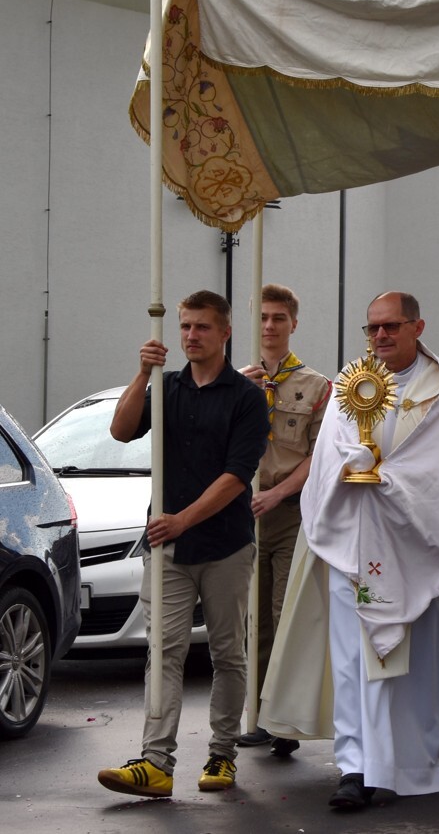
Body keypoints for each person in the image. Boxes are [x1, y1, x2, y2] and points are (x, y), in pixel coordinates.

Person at [301, 291, 439, 809]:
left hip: (421, 544)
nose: (380, 336)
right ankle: (356, 767)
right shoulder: (351, 382)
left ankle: (422, 761)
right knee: (354, 660)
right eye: (372, 328)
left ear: (418, 327)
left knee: (423, 662)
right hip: (358, 538)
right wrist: (354, 464)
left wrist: (392, 479)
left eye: (391, 326)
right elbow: (327, 457)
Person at [97, 290, 270, 797]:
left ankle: (222, 754)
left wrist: (182, 521)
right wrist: (141, 374)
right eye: (186, 327)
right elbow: (121, 430)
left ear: (225, 333)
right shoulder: (166, 385)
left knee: (227, 653)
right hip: (168, 547)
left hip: (225, 545)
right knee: (163, 651)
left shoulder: (246, 397)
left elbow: (237, 476)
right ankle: (156, 762)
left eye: (202, 327)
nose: (191, 336)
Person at [236, 284, 331, 755]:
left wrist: (277, 492)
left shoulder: (316, 386)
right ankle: (258, 715)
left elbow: (320, 455)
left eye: (278, 318)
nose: (269, 326)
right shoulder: (238, 382)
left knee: (286, 615)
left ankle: (286, 721)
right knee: (254, 621)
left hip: (290, 511)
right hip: (246, 514)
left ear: (294, 323)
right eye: (262, 317)